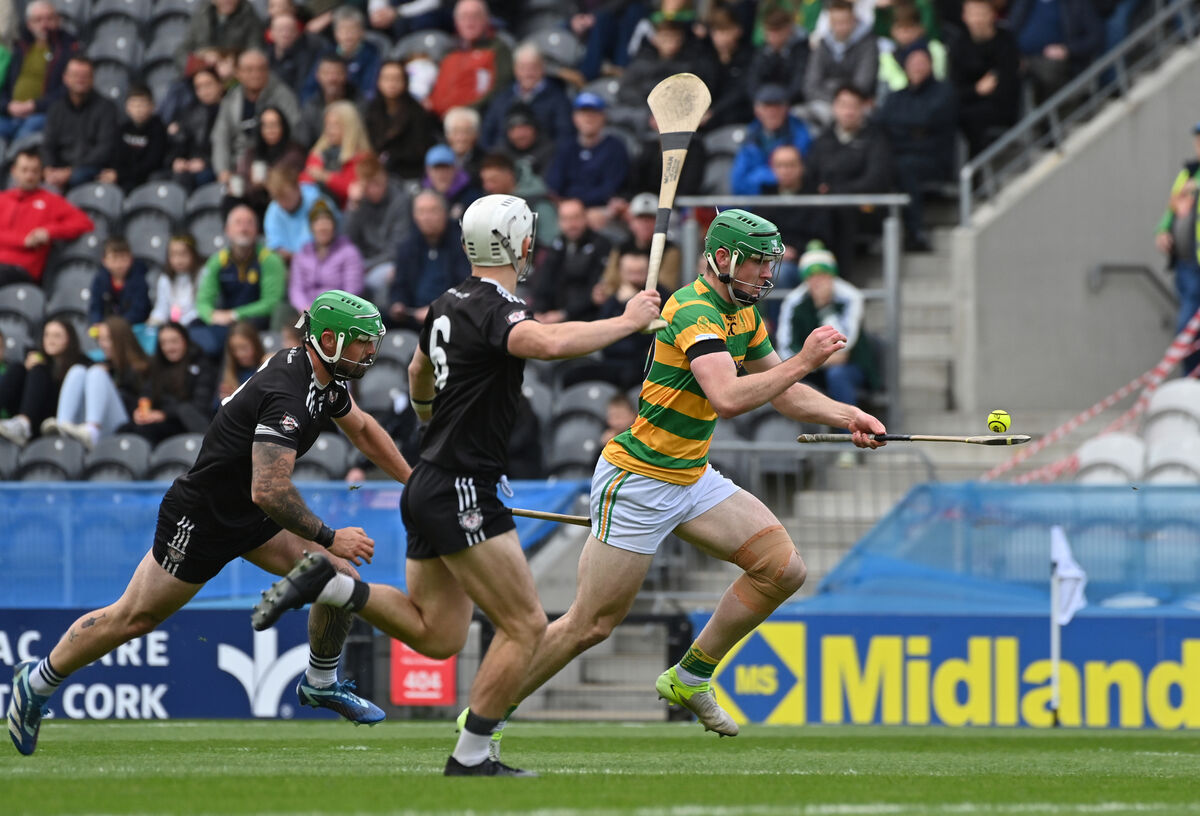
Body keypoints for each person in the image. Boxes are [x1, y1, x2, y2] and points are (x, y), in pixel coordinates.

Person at [250, 194, 663, 777]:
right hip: (464, 486)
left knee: (439, 634)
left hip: (428, 481)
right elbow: (545, 344)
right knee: (525, 626)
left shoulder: (445, 302)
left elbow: (418, 371)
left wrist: (429, 422)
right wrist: (627, 320)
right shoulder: (497, 307)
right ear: (519, 243)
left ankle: (337, 588)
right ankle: (470, 755)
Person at [451, 209, 885, 760]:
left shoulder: (742, 313)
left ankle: (691, 675)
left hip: (692, 476)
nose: (766, 274)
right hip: (639, 480)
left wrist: (848, 415)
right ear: (723, 258)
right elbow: (728, 397)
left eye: (769, 263)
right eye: (757, 262)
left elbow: (781, 393)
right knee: (590, 624)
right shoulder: (694, 310)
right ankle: (485, 713)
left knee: (782, 569)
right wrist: (804, 360)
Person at [7, 290, 413, 757]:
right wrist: (330, 536)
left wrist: (415, 481)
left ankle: (320, 683)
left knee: (339, 578)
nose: (371, 351)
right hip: (202, 518)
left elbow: (362, 428)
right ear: (327, 340)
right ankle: (35, 683)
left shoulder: (322, 377)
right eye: (362, 341)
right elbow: (269, 490)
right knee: (133, 618)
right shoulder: (289, 393)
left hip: (250, 515)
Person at [776, 241, 879, 409]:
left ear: (832, 275)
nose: (818, 281)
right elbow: (785, 350)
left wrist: (825, 308)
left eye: (823, 274)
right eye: (812, 276)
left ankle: (848, 423)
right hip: (808, 368)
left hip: (850, 366)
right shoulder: (794, 302)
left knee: (837, 375)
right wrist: (812, 362)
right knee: (790, 380)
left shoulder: (850, 296)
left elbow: (844, 346)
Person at [876, 45, 957, 252]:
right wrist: (912, 132)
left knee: (904, 167)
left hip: (934, 160)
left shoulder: (944, 92)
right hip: (899, 157)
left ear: (931, 65)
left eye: (922, 63)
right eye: (913, 63)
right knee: (880, 165)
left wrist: (900, 130)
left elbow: (926, 119)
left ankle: (916, 232)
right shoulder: (896, 97)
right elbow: (881, 123)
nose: (917, 67)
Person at [191, 205, 287, 357]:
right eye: (238, 223)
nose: (244, 228)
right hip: (224, 319)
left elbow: (271, 303)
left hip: (255, 320)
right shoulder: (218, 260)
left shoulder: (269, 260)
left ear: (257, 230)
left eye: (249, 223)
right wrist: (211, 316)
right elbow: (203, 300)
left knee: (222, 337)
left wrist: (234, 315)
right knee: (191, 328)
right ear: (227, 230)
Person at [42, 316, 149, 450]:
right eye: (100, 339)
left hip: (124, 428)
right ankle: (62, 426)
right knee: (77, 370)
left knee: (96, 373)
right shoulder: (106, 366)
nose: (102, 344)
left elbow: (141, 403)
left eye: (107, 339)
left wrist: (111, 385)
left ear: (120, 339)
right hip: (98, 426)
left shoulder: (141, 368)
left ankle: (92, 431)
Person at [0, 148, 93, 286]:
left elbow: (84, 223)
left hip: (21, 270)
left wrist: (49, 231)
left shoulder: (51, 201)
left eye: (34, 171)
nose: (29, 176)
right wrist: (23, 240)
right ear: (14, 171)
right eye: (24, 170)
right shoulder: (3, 199)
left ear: (41, 173)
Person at [211, 50, 301, 187]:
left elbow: (295, 134)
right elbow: (220, 137)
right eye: (249, 70)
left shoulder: (283, 96)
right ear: (238, 73)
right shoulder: (231, 99)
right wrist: (223, 171)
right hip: (237, 165)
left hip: (273, 165)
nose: (256, 75)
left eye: (261, 69)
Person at [945, 0, 1021, 157]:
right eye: (973, 14)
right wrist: (976, 90)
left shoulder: (1005, 40)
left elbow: (1008, 80)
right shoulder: (959, 45)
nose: (977, 20)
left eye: (981, 14)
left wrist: (979, 90)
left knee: (975, 118)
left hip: (1000, 105)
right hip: (968, 105)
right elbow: (955, 87)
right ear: (964, 17)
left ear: (992, 15)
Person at [386, 190, 471, 330]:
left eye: (433, 211)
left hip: (451, 315)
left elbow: (465, 286)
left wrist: (438, 308)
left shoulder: (462, 245)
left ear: (445, 213)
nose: (427, 217)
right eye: (421, 212)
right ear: (414, 216)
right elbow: (399, 284)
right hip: (412, 315)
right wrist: (398, 303)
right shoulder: (407, 245)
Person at [118, 322, 216, 444]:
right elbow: (147, 392)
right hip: (160, 418)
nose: (169, 348)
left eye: (174, 341)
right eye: (164, 343)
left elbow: (199, 406)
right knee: (123, 430)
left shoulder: (202, 366)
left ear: (185, 341)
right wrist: (141, 410)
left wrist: (165, 414)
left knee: (146, 430)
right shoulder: (158, 365)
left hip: (185, 423)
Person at [0, 318, 88, 446]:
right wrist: (27, 369)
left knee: (38, 370)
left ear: (69, 339)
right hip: (30, 414)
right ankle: (20, 423)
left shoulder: (81, 362)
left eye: (57, 336)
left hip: (52, 421)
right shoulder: (38, 358)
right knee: (18, 368)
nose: (50, 340)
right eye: (47, 335)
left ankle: (24, 424)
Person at [1155, 124, 1200, 377]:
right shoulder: (1188, 173)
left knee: (1189, 328)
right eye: (1198, 141)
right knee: (1188, 330)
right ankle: (1190, 382)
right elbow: (1172, 208)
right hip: (1187, 265)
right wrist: (1163, 231)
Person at [0, 1, 78, 141]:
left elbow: (68, 89)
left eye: (49, 19)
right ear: (29, 24)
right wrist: (8, 106)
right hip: (10, 112)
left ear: (58, 20)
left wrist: (35, 105)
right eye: (38, 20)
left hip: (43, 114)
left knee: (26, 136)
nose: (44, 24)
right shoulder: (20, 48)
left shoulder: (68, 50)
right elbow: (4, 85)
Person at [41, 56, 119, 191]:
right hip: (59, 168)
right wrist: (48, 168)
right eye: (75, 75)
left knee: (77, 176)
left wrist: (70, 171)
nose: (80, 80)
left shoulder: (107, 108)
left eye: (85, 76)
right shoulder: (56, 108)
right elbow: (48, 144)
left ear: (92, 79)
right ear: (65, 78)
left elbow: (104, 149)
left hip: (90, 168)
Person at [426, 0, 513, 118]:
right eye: (464, 16)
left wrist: (467, 111)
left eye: (475, 15)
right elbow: (435, 86)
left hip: (476, 118)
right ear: (456, 22)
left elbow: (500, 90)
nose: (469, 21)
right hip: (438, 118)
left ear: (486, 19)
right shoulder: (448, 51)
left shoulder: (498, 49)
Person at [479, 43, 573, 150]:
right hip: (504, 157)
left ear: (542, 68)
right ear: (515, 70)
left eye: (533, 67)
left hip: (544, 157)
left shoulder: (559, 99)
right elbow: (487, 134)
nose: (528, 73)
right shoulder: (502, 98)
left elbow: (564, 136)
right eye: (523, 68)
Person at [361, 59, 438, 181]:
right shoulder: (371, 111)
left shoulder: (417, 112)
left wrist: (392, 156)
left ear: (405, 82)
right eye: (387, 79)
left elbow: (419, 148)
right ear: (378, 81)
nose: (392, 83)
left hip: (409, 173)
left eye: (396, 79)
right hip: (377, 174)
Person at [730, 83, 813, 196]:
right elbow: (738, 183)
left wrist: (760, 177)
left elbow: (802, 175)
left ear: (786, 109)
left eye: (777, 107)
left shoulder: (801, 135)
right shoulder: (750, 138)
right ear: (757, 110)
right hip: (757, 201)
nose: (772, 112)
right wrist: (766, 177)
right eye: (767, 107)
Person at [288, 199, 364, 311]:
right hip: (307, 310)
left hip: (339, 311)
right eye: (318, 223)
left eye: (327, 222)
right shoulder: (302, 255)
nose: (322, 227)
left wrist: (331, 310)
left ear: (334, 226)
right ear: (311, 228)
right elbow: (296, 289)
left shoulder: (349, 252)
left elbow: (353, 290)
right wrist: (304, 307)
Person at [300, 101, 374, 208]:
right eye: (327, 125)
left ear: (350, 127)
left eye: (335, 125)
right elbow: (304, 184)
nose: (329, 130)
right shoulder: (318, 153)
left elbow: (353, 190)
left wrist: (326, 177)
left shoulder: (363, 158)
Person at [98, 85, 169, 193]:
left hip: (145, 178)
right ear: (127, 107)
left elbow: (152, 163)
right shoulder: (123, 129)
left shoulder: (158, 129)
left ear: (152, 106)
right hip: (123, 177)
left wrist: (120, 174)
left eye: (142, 105)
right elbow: (116, 157)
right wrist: (114, 173)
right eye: (134, 105)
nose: (138, 109)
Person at [88, 237, 152, 328]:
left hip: (132, 328)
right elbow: (95, 308)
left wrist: (116, 327)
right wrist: (97, 323)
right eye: (114, 259)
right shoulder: (99, 280)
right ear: (104, 261)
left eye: (123, 258)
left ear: (131, 259)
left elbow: (139, 311)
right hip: (106, 327)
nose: (119, 264)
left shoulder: (139, 280)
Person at [149, 236, 203, 327]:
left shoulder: (203, 275)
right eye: (173, 255)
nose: (178, 260)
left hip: (196, 325)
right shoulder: (164, 279)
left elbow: (201, 309)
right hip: (173, 327)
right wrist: (153, 321)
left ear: (193, 254)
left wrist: (179, 325)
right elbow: (162, 309)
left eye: (183, 254)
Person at [217, 320, 266, 402]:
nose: (239, 354)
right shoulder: (229, 372)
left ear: (255, 344)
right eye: (234, 349)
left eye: (244, 348)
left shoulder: (266, 367)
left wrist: (239, 397)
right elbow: (216, 406)